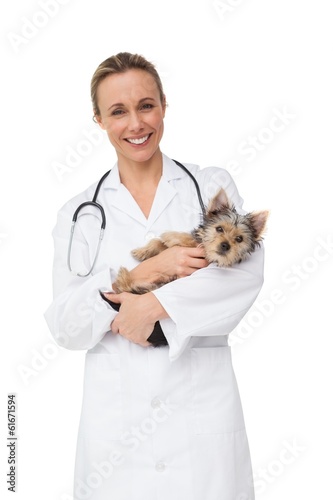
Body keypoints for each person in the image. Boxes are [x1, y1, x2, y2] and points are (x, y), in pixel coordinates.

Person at [44, 52, 264, 500]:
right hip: (116, 435)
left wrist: (152, 306)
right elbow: (65, 325)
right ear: (99, 120)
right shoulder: (80, 213)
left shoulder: (209, 186)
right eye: (118, 112)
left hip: (200, 429)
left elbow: (244, 274)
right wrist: (149, 270)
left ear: (164, 104)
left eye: (146, 105)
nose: (136, 124)